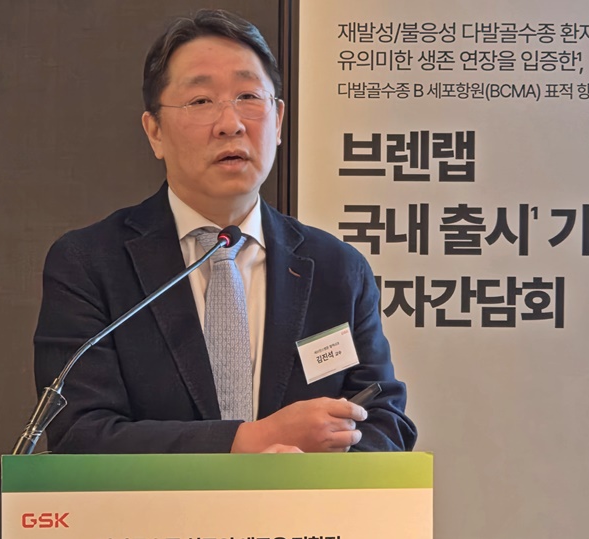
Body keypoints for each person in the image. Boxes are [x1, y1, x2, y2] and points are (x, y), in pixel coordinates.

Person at [33, 9, 416, 454]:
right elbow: (80, 433)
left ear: (278, 120)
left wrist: (313, 473)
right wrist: (252, 441)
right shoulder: (90, 263)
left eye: (249, 96)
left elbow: (384, 421)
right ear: (154, 131)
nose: (230, 123)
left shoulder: (336, 268)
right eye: (200, 101)